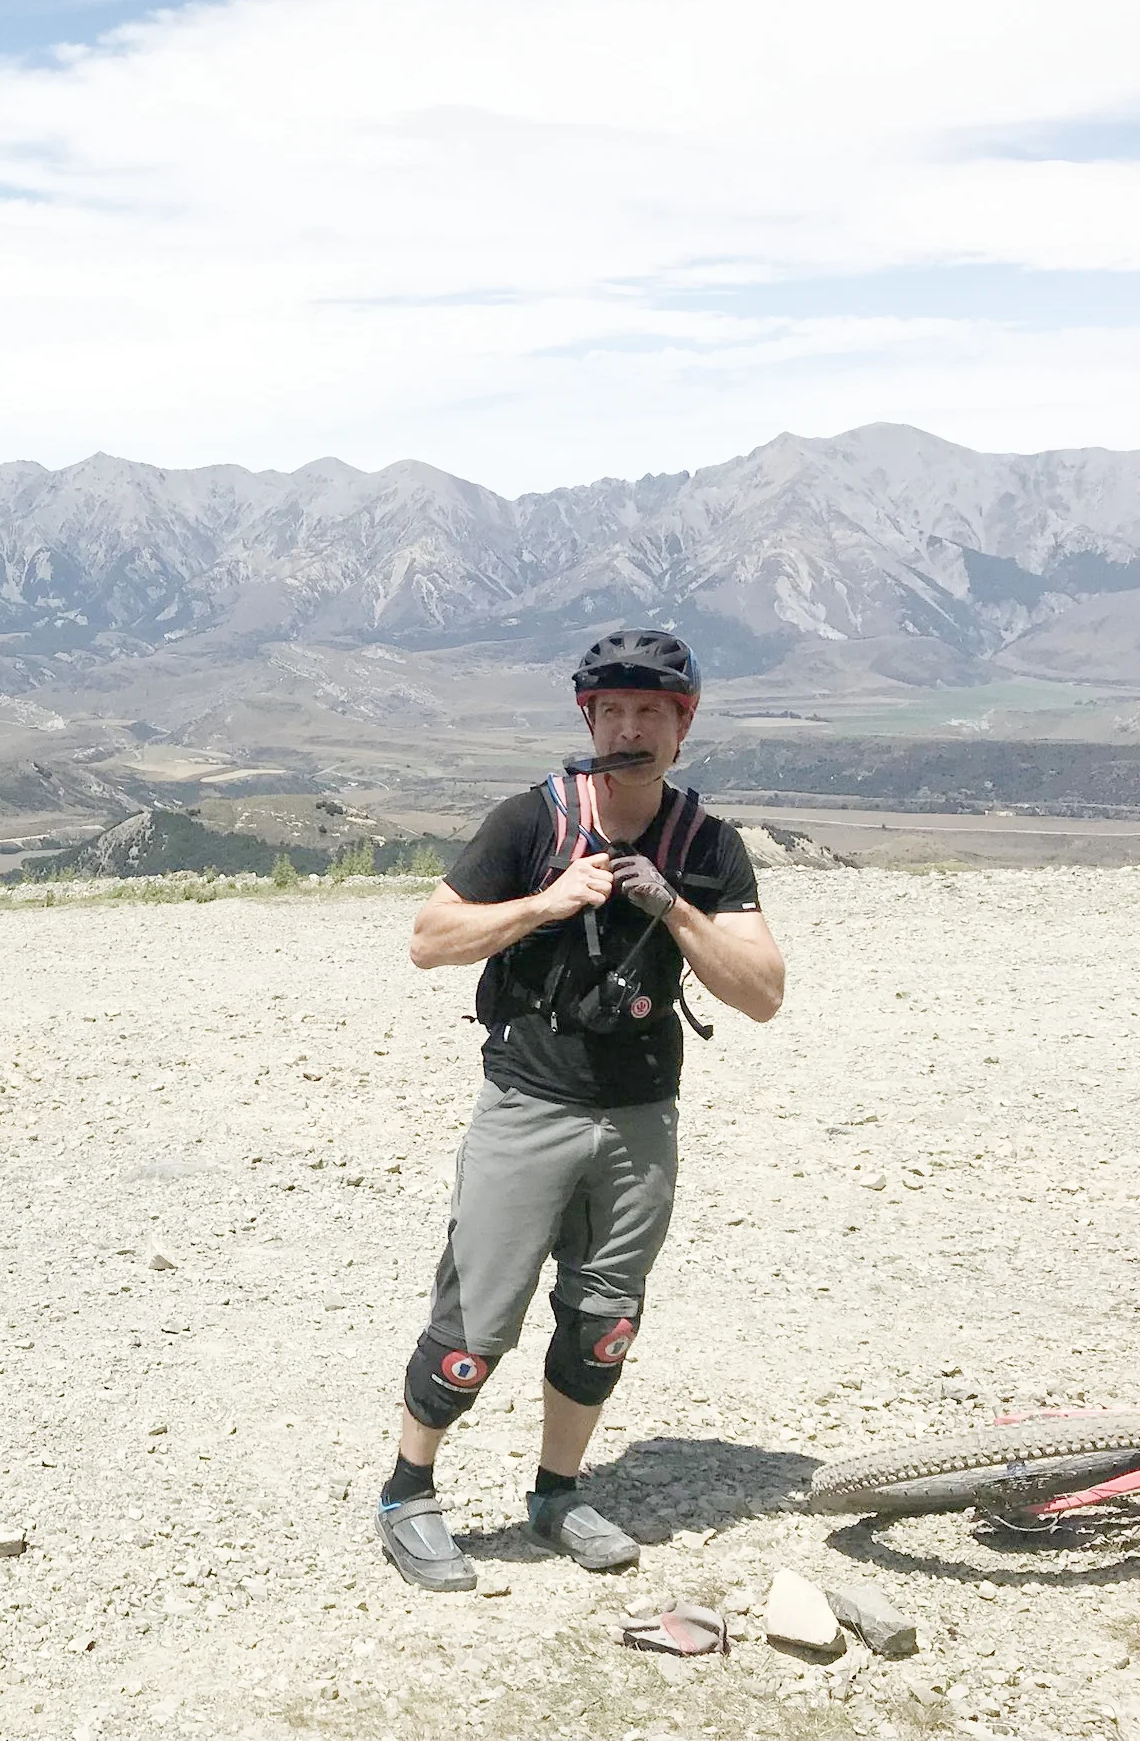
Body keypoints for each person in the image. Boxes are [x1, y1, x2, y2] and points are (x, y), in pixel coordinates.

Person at [374, 628, 786, 1591]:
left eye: (653, 711)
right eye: (614, 711)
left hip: (641, 1116)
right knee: (474, 1326)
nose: (631, 728)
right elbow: (430, 940)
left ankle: (558, 1491)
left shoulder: (706, 845)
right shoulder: (533, 820)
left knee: (603, 1319)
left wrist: (674, 907)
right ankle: (407, 1492)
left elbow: (762, 992)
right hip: (529, 1102)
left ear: (683, 726)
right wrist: (547, 902)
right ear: (588, 720)